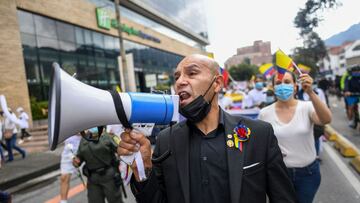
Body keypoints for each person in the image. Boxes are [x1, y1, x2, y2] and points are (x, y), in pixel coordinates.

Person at [118, 54, 297, 203]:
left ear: (217, 83)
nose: (180, 81)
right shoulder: (166, 141)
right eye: (177, 76)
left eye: (192, 73)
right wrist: (143, 168)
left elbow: (283, 198)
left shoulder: (259, 134)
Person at [258, 72, 332, 203]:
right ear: (273, 87)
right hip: (279, 175)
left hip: (308, 174)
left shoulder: (307, 107)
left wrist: (310, 93)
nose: (282, 86)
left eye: (287, 82)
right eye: (278, 83)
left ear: (295, 86)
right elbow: (261, 144)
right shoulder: (264, 114)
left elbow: (326, 119)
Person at [73, 126, 124, 203]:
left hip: (109, 176)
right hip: (93, 179)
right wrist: (76, 161)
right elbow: (79, 158)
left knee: (115, 200)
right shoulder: (84, 140)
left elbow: (120, 150)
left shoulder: (107, 136)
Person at [60, 134, 82, 203]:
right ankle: (63, 201)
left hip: (83, 149)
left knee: (89, 177)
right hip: (68, 151)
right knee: (64, 177)